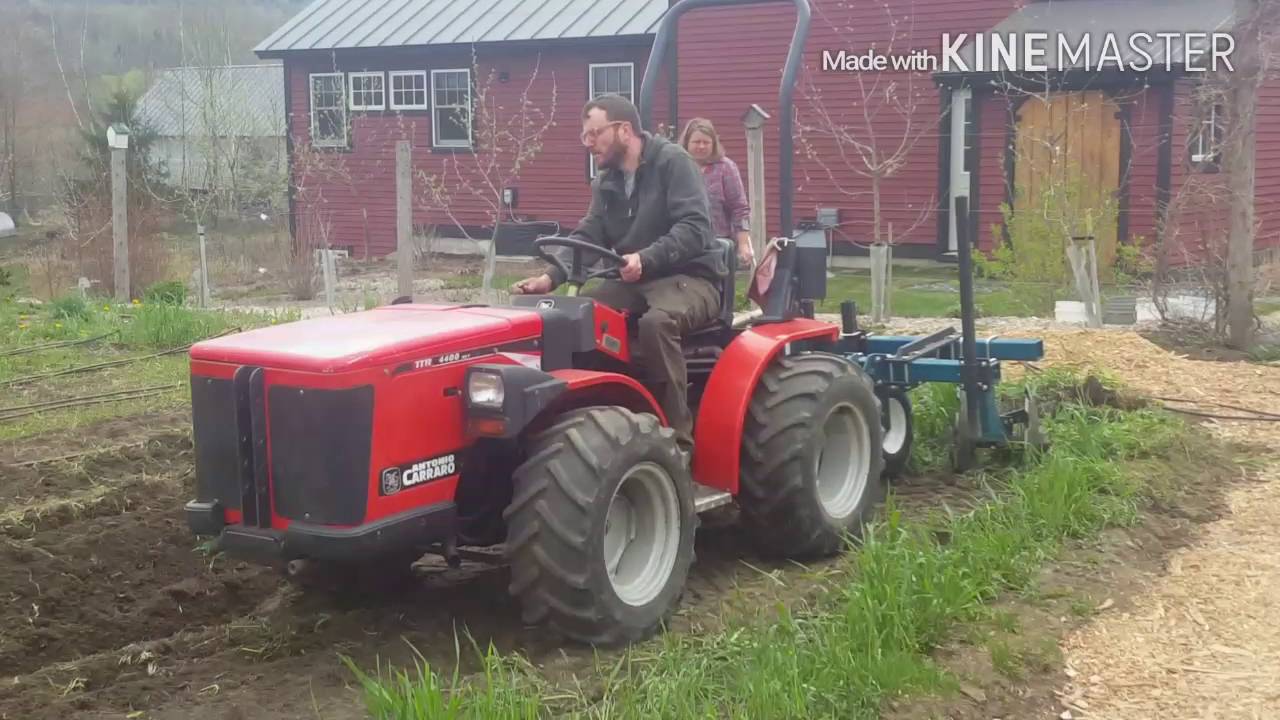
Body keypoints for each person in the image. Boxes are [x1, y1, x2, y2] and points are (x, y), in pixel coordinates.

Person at [511, 94, 726, 455]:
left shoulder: (673, 162)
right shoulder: (606, 181)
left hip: (691, 277)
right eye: (584, 136)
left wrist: (647, 257)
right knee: (577, 317)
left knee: (657, 324)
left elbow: (695, 228)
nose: (588, 143)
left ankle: (677, 439)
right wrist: (549, 278)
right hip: (634, 278)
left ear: (625, 130)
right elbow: (588, 234)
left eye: (595, 133)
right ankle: (593, 419)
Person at [680, 117, 753, 269]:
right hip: (683, 244)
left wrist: (743, 244)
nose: (701, 146)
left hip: (718, 246)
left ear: (713, 143)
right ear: (687, 143)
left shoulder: (726, 168)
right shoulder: (677, 166)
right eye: (697, 142)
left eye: (706, 142)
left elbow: (740, 208)